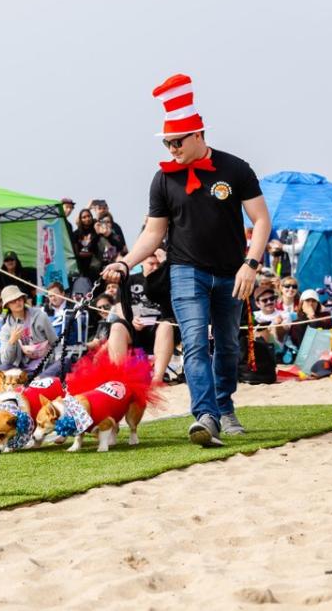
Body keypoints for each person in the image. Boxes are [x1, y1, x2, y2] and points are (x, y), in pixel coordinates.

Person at [102, 74, 269, 447]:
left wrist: (251, 264)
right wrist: (125, 263)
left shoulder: (236, 169)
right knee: (194, 342)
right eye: (166, 142)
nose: (171, 148)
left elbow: (261, 221)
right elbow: (153, 233)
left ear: (198, 136)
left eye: (177, 142)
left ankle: (224, 407)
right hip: (185, 272)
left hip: (232, 272)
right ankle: (206, 416)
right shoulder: (163, 180)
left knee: (226, 345)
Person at [0, 285, 57, 373]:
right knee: (1, 368)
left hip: (44, 362)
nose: (17, 302)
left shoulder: (40, 316)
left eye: (20, 299)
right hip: (21, 367)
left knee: (64, 362)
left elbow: (55, 341)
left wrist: (58, 359)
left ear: (24, 299)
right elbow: (6, 361)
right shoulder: (6, 329)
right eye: (13, 301)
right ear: (7, 306)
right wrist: (12, 341)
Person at [72, 209, 100, 281]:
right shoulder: (76, 233)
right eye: (84, 217)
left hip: (96, 268)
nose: (87, 218)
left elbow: (99, 249)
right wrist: (91, 254)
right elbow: (76, 253)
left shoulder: (96, 231)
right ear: (80, 219)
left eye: (89, 216)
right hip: (81, 268)